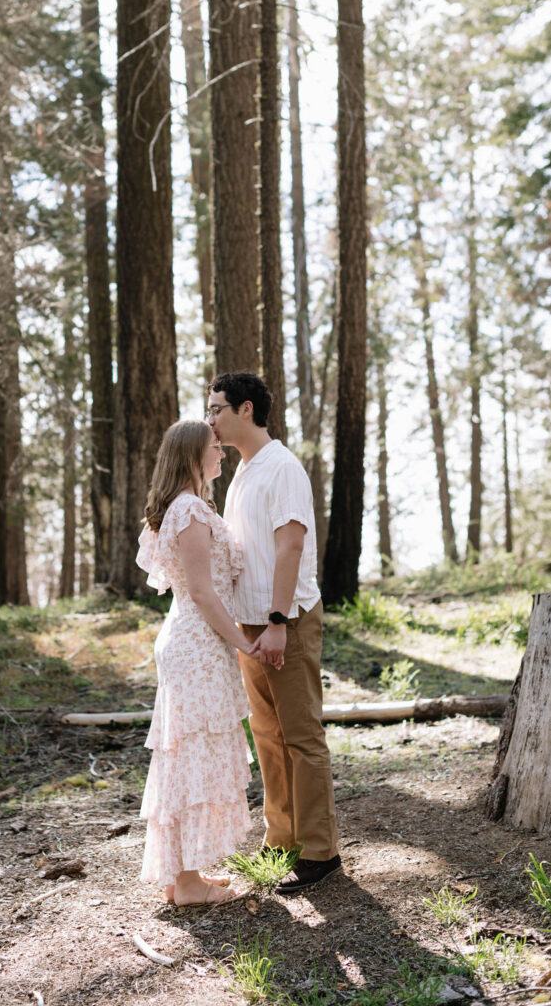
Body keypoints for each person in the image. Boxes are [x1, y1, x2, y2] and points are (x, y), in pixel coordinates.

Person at [207, 372, 341, 895]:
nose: (210, 419)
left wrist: (280, 623)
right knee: (266, 732)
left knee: (302, 734)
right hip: (250, 624)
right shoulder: (242, 471)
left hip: (287, 620)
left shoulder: (282, 467)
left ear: (245, 409)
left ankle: (319, 851)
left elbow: (291, 548)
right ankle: (281, 837)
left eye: (216, 409)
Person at [136, 419, 256, 906]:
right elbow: (204, 593)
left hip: (196, 643)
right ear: (191, 456)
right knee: (190, 758)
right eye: (214, 448)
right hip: (197, 644)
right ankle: (186, 883)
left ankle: (182, 875)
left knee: (188, 758)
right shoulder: (187, 510)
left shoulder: (189, 507)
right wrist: (244, 643)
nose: (222, 454)